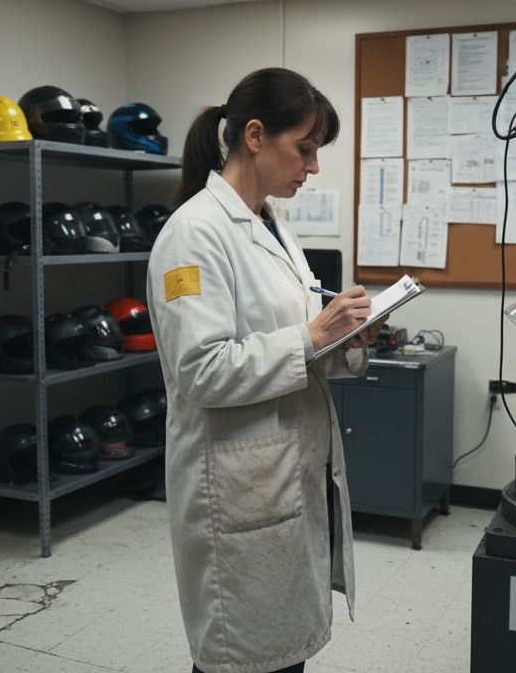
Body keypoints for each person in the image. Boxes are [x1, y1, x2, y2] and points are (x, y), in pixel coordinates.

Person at [146, 68, 385, 673]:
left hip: (283, 471)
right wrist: (313, 334)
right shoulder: (193, 236)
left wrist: (351, 337)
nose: (313, 166)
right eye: (303, 148)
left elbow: (302, 341)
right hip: (235, 483)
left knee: (281, 653)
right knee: (240, 654)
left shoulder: (275, 227)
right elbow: (200, 371)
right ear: (255, 135)